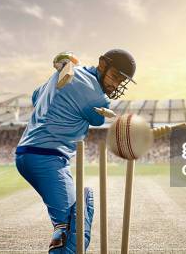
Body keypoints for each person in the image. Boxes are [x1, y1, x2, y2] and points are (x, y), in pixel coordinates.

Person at [15, 49, 136, 253]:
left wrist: (61, 71)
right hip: (47, 157)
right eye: (115, 76)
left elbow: (36, 97)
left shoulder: (64, 73)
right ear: (102, 64)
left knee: (79, 210)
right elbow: (97, 119)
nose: (115, 85)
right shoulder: (97, 98)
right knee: (71, 228)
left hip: (26, 155)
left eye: (120, 82)